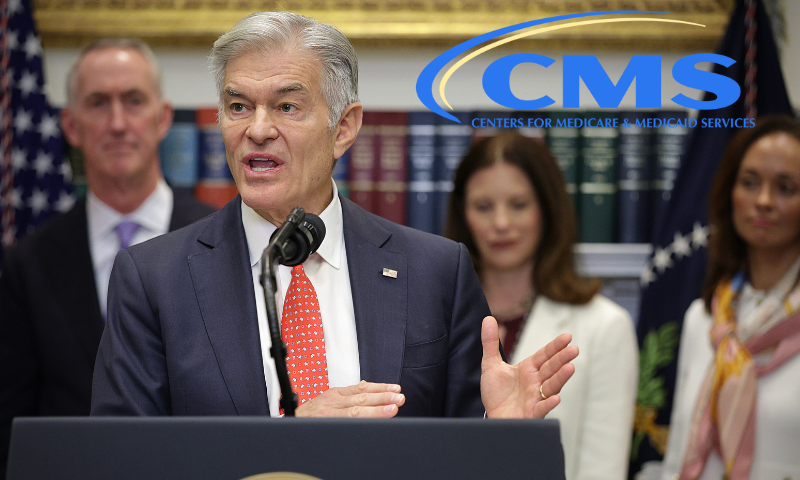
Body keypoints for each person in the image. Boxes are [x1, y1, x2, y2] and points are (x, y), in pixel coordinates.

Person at [90, 11, 578, 420]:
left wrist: (499, 435)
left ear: (344, 128)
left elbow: (460, 452)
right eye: (238, 106)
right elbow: (123, 460)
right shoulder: (153, 280)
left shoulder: (436, 271)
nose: (257, 130)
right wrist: (288, 442)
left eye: (286, 106)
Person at [0, 38, 215, 475]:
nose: (118, 123)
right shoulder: (28, 264)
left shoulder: (222, 241)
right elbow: (12, 426)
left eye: (133, 101)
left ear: (163, 118)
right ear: (71, 125)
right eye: (98, 103)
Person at [445, 132, 639, 480]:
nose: (501, 223)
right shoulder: (435, 315)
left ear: (547, 209)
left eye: (519, 205)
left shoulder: (605, 326)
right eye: (483, 206)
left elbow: (602, 470)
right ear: (463, 214)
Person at [660, 115, 800, 480]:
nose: (763, 201)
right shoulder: (704, 318)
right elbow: (678, 450)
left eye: (786, 188)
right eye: (750, 183)